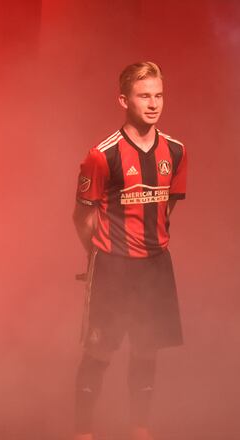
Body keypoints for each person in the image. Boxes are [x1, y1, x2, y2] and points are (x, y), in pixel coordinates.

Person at [72, 61, 187, 440]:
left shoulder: (175, 150)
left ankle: (140, 430)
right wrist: (103, 254)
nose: (153, 104)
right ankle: (83, 432)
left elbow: (166, 209)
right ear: (124, 100)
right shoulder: (101, 155)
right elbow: (82, 219)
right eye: (143, 96)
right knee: (99, 352)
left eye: (158, 95)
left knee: (146, 349)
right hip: (114, 268)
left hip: (155, 267)